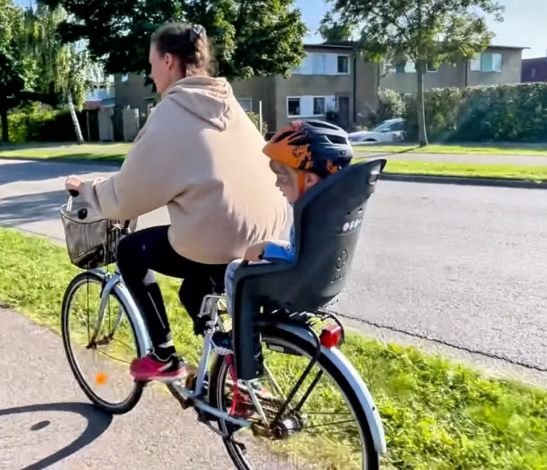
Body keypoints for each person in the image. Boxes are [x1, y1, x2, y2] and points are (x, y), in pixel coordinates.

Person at [64, 22, 288, 382]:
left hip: (220, 236)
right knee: (194, 290)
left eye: (151, 63)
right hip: (264, 232)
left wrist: (88, 190)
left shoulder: (174, 111)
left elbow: (127, 196)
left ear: (168, 61)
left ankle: (164, 356)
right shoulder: (227, 103)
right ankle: (233, 371)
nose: (150, 73)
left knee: (130, 250)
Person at [217, 120, 354, 372]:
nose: (277, 185)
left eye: (283, 178)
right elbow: (302, 248)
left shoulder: (309, 211)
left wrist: (264, 248)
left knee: (236, 271)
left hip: (298, 279)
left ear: (309, 179)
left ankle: (241, 344)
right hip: (321, 277)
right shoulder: (332, 204)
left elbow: (293, 257)